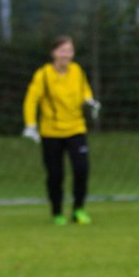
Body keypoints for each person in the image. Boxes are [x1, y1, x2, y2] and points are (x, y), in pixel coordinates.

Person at [22, 36, 99, 225]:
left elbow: (85, 91)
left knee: (82, 169)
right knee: (55, 175)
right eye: (63, 50)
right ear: (54, 53)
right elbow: (31, 100)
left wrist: (90, 101)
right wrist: (31, 124)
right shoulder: (44, 75)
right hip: (51, 133)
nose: (66, 55)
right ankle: (57, 212)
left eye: (70, 51)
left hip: (76, 129)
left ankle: (79, 210)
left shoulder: (77, 71)